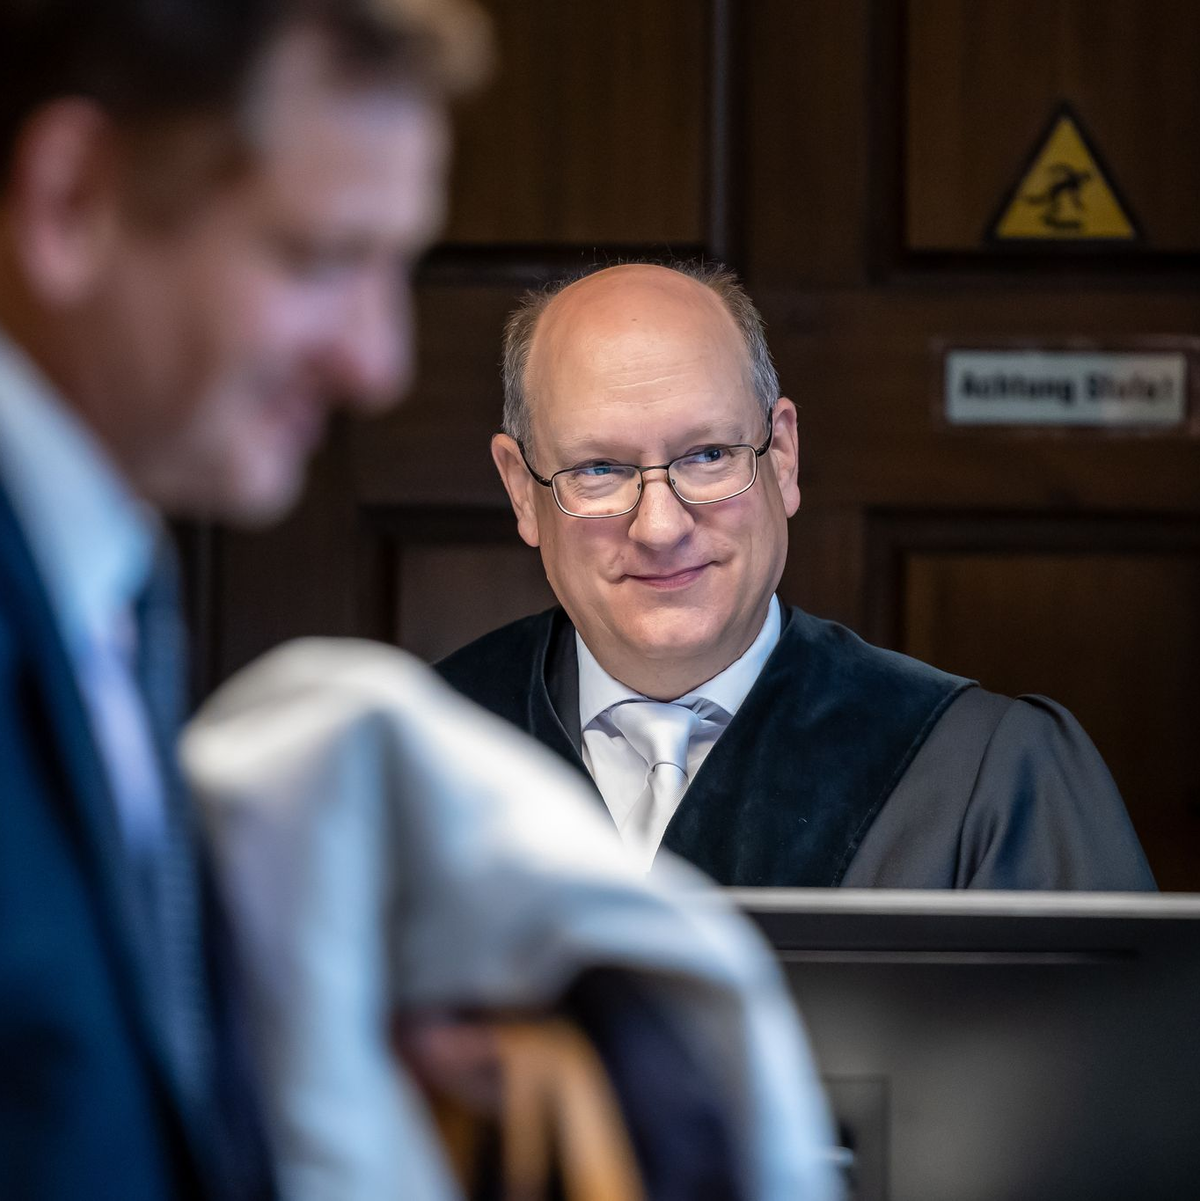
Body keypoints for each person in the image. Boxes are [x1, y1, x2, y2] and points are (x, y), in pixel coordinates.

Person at [0, 1, 487, 1195]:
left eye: (397, 265)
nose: (380, 362)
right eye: (323, 258)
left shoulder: (106, 592)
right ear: (73, 203)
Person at [436, 260, 1156, 890]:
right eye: (599, 469)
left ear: (781, 456)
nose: (660, 526)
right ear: (522, 490)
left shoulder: (986, 778)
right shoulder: (415, 755)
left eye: (709, 454)